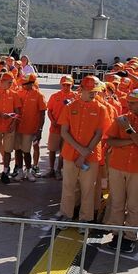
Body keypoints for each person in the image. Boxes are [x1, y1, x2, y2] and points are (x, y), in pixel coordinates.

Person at [58, 76, 109, 223]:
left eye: (96, 91)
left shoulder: (101, 108)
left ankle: (85, 219)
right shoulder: (70, 107)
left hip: (91, 156)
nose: (94, 94)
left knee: (88, 189)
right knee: (68, 186)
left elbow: (99, 133)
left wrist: (85, 152)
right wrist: (81, 150)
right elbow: (64, 132)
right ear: (82, 89)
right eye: (91, 91)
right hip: (71, 154)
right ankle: (66, 215)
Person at [104, 89, 138, 253]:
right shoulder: (122, 119)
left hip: (136, 170)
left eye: (132, 103)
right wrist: (130, 142)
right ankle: (116, 233)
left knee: (134, 205)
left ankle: (130, 236)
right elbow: (109, 140)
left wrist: (129, 130)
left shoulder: (125, 123)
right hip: (117, 167)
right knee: (117, 202)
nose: (128, 105)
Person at [13, 74, 46, 182]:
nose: (23, 85)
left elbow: (42, 113)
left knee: (26, 151)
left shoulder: (39, 95)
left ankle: (28, 170)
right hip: (18, 127)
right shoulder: (19, 93)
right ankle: (20, 171)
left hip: (30, 128)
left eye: (25, 84)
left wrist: (39, 130)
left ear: (31, 84)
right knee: (17, 149)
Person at [46, 76, 76, 179]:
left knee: (63, 151)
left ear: (72, 84)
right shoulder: (55, 96)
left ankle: (59, 170)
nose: (66, 86)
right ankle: (51, 169)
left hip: (68, 129)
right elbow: (49, 110)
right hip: (55, 127)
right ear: (60, 84)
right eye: (64, 84)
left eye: (68, 85)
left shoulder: (75, 97)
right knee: (52, 149)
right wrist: (53, 121)